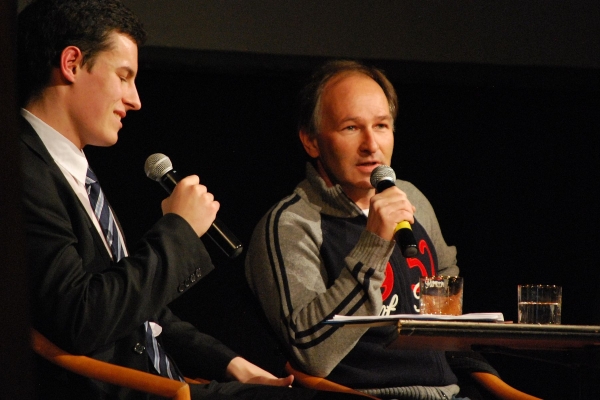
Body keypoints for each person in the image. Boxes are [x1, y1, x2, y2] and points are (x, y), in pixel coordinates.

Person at [17, 1, 366, 399]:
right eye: (124, 76)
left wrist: (230, 364)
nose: (135, 99)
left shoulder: (75, 172)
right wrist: (178, 230)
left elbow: (140, 309)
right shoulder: (24, 172)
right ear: (72, 63)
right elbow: (82, 317)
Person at [245, 60, 497, 399]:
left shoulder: (413, 200)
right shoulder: (291, 224)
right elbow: (310, 352)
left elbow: (446, 297)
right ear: (311, 141)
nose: (371, 145)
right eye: (351, 128)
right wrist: (374, 244)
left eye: (381, 126)